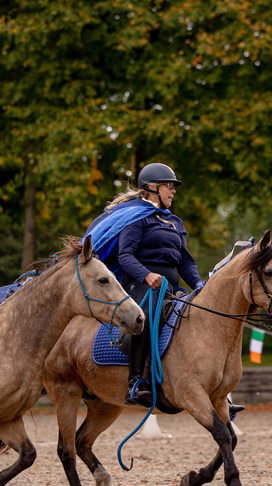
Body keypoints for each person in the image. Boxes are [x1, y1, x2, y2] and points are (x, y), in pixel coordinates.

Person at [85, 163, 205, 407]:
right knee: (147, 315)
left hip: (171, 287)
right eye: (168, 186)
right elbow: (125, 255)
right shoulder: (136, 217)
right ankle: (136, 381)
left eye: (173, 187)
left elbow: (185, 262)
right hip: (139, 285)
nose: (173, 191)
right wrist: (147, 275)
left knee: (200, 312)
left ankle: (210, 386)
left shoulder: (175, 223)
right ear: (152, 188)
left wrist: (199, 283)